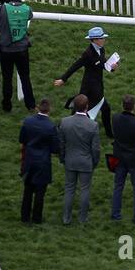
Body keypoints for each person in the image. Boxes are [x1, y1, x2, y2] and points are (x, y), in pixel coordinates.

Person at [54, 26, 116, 139]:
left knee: (104, 108)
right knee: (81, 111)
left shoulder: (101, 49)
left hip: (97, 87)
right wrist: (63, 79)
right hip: (89, 88)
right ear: (95, 40)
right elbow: (75, 65)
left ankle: (109, 133)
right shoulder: (88, 54)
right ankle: (61, 129)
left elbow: (103, 64)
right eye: (101, 38)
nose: (104, 40)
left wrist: (112, 67)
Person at [0, 0, 35, 113]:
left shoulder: (3, 8)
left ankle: (7, 106)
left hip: (6, 50)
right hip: (22, 50)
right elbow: (29, 16)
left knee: (7, 78)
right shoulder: (27, 9)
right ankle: (31, 105)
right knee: (25, 78)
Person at [58, 93, 101, 225]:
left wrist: (63, 158)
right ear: (86, 107)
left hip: (70, 160)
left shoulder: (65, 122)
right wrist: (94, 161)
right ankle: (83, 218)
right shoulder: (92, 125)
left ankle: (66, 218)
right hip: (86, 162)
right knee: (85, 190)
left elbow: (61, 144)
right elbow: (96, 149)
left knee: (69, 189)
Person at [18, 98, 59, 224]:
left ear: (37, 107)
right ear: (49, 109)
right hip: (43, 162)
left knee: (28, 190)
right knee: (40, 193)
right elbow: (55, 148)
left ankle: (24, 217)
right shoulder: (51, 126)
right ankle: (36, 218)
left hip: (29, 160)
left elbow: (22, 139)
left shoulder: (28, 122)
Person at [111, 95, 135, 224]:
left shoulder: (115, 119)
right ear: (134, 106)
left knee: (118, 186)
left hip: (119, 157)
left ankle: (115, 214)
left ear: (123, 105)